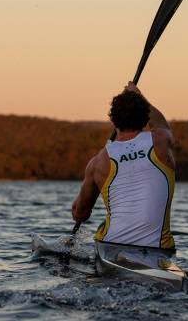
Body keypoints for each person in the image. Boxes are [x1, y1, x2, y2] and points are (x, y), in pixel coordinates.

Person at [71, 82, 176, 249]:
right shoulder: (162, 141)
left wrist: (78, 211)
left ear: (112, 120)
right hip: (158, 250)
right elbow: (161, 124)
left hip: (110, 245)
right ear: (145, 117)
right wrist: (140, 97)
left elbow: (80, 213)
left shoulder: (98, 162)